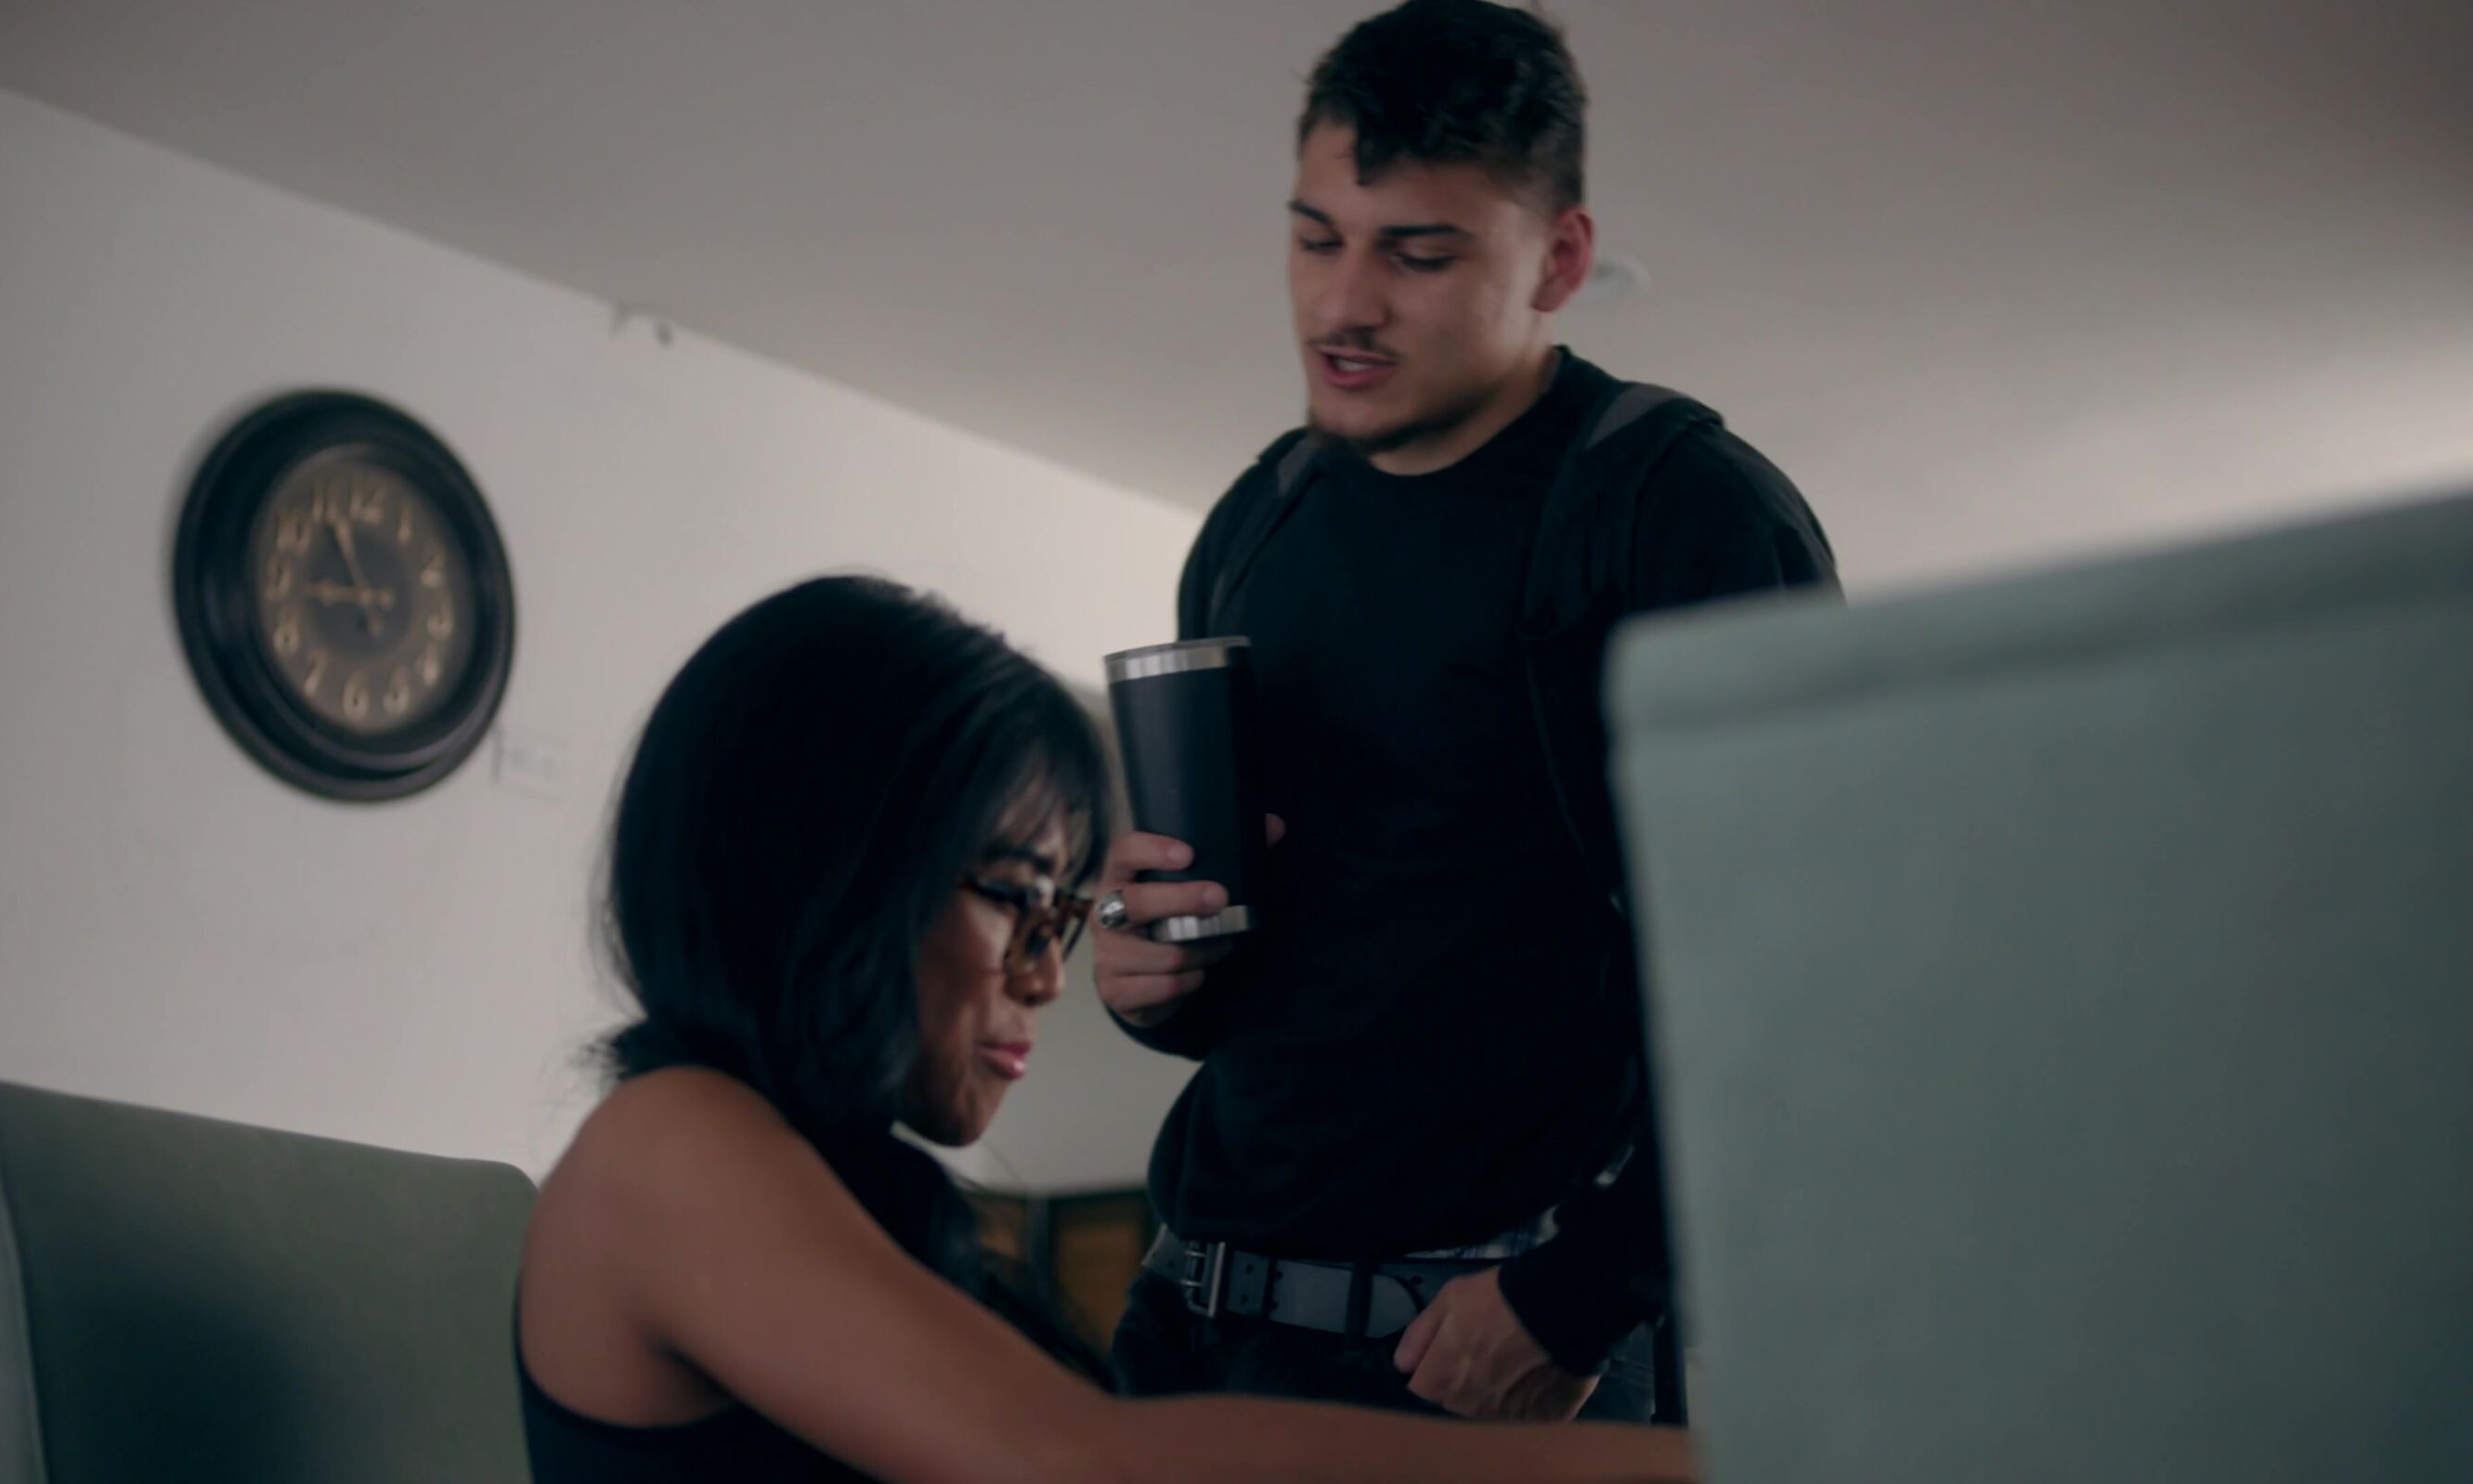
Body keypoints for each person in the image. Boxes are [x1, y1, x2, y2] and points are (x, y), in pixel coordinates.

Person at [514, 575, 1699, 1481]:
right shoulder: (667, 1140)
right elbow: (1081, 1462)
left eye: (1061, 916)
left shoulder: (835, 1181)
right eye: (1013, 897)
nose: (1048, 976)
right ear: (831, 869)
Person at [1095, 0, 1841, 1426]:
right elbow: (1278, 982)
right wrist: (1152, 977)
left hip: (1486, 1360)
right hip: (1189, 1324)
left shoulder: (1681, 515)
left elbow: (1816, 969)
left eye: (1417, 254)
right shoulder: (1257, 518)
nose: (1343, 305)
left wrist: (1583, 1294)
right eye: (1316, 237)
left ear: (1559, 258)